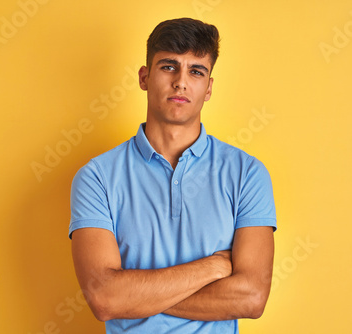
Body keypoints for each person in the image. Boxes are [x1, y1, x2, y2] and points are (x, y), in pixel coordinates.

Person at [69, 17, 277, 334]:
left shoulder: (247, 173)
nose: (181, 81)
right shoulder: (96, 177)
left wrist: (135, 295)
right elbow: (104, 298)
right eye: (169, 66)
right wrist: (215, 266)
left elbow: (251, 298)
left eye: (196, 71)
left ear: (208, 88)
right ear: (144, 77)